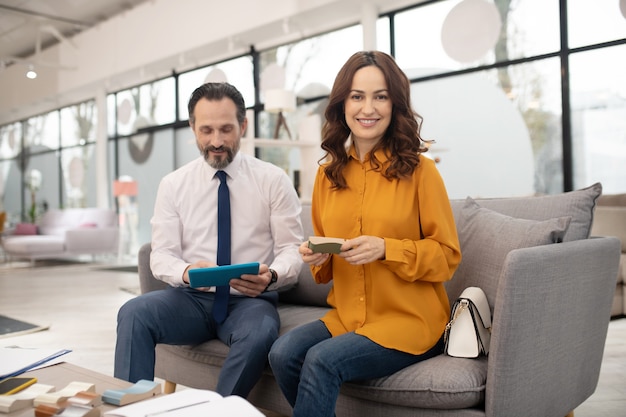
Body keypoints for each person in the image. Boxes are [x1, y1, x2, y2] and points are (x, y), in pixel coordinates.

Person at [268, 51, 462, 417]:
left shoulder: (421, 170)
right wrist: (320, 257)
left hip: (409, 322)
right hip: (347, 318)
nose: (367, 108)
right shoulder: (328, 177)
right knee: (282, 353)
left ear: (395, 104)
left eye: (381, 96)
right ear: (343, 104)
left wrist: (386, 248)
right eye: (357, 96)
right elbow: (324, 263)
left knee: (323, 361)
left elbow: (447, 257)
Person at [114, 82, 303, 398]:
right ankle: (132, 409)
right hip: (191, 299)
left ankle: (218, 409)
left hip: (250, 301)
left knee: (259, 333)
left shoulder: (273, 180)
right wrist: (187, 272)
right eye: (206, 130)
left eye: (227, 129)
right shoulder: (173, 185)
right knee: (134, 313)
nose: (217, 141)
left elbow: (291, 249)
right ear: (192, 128)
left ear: (243, 125)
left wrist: (271, 276)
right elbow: (161, 255)